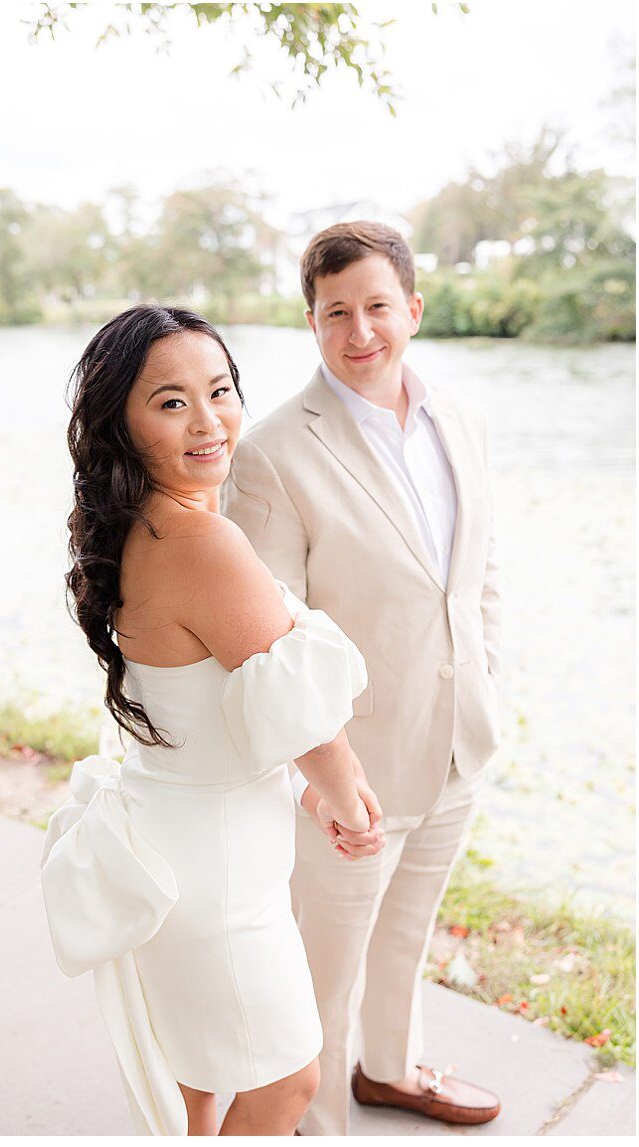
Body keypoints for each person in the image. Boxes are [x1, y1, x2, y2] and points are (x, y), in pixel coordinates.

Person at [41, 305, 384, 1135]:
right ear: (122, 421)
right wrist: (344, 790)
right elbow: (290, 701)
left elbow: (201, 710)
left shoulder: (139, 528)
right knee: (286, 1082)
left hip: (187, 839)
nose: (209, 420)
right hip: (219, 881)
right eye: (170, 401)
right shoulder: (202, 540)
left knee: (198, 1087)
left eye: (221, 391)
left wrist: (297, 797)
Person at [224, 221, 503, 1132]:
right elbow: (264, 643)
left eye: (377, 306)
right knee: (324, 973)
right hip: (350, 777)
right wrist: (317, 783)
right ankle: (318, 1122)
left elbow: (478, 578)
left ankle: (388, 1071)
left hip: (458, 743)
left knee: (405, 940)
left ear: (413, 309)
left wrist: (490, 688)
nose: (360, 331)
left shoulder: (460, 418)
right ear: (311, 322)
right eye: (335, 311)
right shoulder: (270, 454)